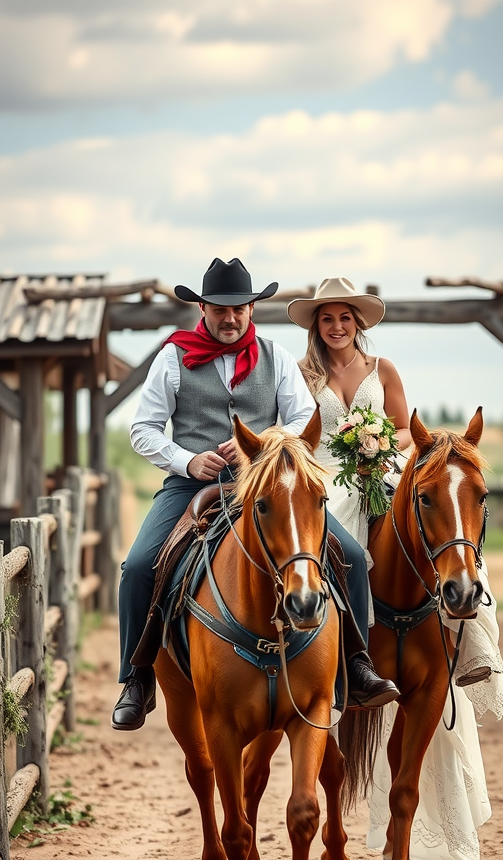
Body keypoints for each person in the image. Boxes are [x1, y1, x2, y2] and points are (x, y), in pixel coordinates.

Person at [112, 258, 399, 732]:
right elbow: (142, 429)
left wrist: (263, 443)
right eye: (220, 309)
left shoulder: (276, 357)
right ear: (202, 308)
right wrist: (188, 460)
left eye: (239, 309)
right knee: (140, 565)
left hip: (267, 485)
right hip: (193, 484)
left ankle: (359, 665)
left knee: (348, 554)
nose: (230, 318)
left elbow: (304, 417)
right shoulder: (171, 357)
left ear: (252, 309)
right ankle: (136, 678)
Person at [288, 276, 503, 860]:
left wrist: (382, 452)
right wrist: (341, 459)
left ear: (360, 322)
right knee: (322, 550)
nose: (336, 326)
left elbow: (408, 432)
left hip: (382, 471)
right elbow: (297, 433)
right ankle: (333, 648)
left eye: (345, 317)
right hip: (329, 480)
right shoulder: (303, 377)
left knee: (442, 531)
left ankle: (469, 642)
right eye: (327, 318)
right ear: (317, 325)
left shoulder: (383, 369)